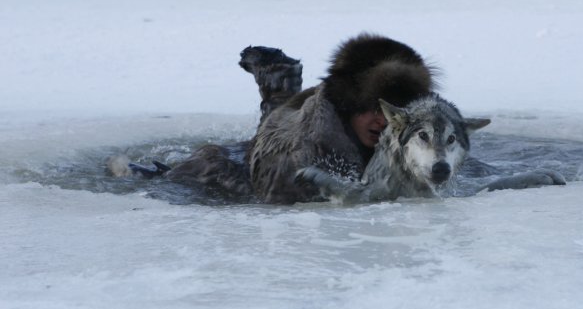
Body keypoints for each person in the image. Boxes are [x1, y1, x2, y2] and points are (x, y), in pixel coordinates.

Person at [163, 33, 436, 203]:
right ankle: (278, 80)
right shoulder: (302, 157)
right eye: (372, 109)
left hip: (307, 116)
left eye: (391, 113)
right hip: (266, 156)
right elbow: (270, 197)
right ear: (349, 105)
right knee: (226, 160)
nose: (382, 122)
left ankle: (280, 79)